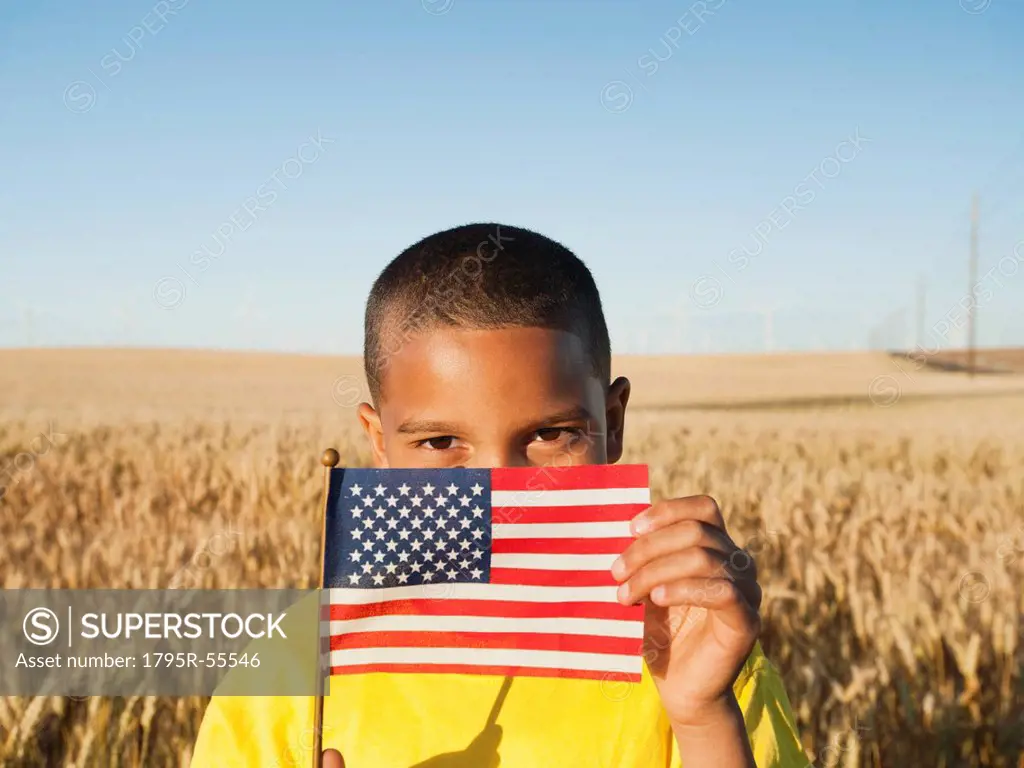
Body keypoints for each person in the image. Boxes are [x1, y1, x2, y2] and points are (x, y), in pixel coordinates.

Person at [191, 223, 806, 767]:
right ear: (379, 443)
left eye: (549, 434)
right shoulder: (293, 667)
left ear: (613, 422)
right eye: (438, 442)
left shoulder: (683, 645)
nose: (498, 490)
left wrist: (702, 717)